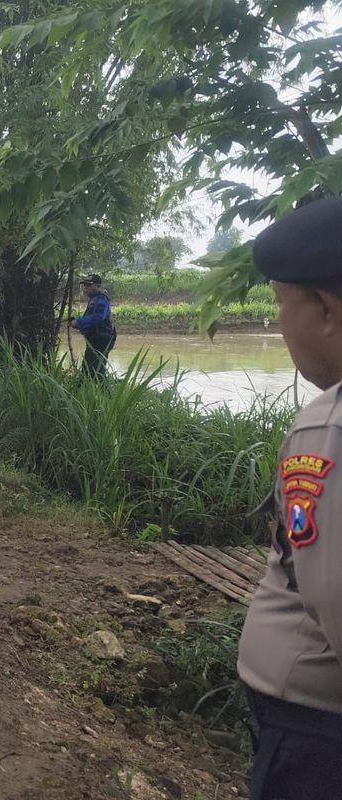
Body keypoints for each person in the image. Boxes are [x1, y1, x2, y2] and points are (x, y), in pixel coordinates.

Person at [236, 197, 342, 800]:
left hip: (315, 734)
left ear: (324, 308)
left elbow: (333, 597)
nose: (280, 323)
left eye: (281, 303)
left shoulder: (329, 426)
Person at [69, 274, 116, 379]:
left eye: (89, 285)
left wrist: (78, 323)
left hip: (101, 339)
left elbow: (97, 317)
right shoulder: (95, 298)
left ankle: (99, 387)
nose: (86, 288)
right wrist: (77, 321)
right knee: (90, 368)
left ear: (98, 286)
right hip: (96, 338)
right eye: (85, 285)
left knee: (94, 370)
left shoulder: (101, 299)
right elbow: (91, 317)